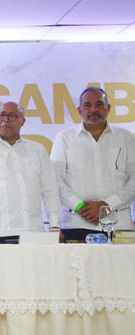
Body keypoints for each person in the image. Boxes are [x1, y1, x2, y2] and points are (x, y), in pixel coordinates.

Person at [0, 101, 61, 243]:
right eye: (1, 115)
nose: (5, 120)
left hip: (34, 232)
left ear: (22, 121)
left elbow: (50, 190)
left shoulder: (38, 150)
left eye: (12, 116)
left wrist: (54, 225)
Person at [50, 87, 135, 241]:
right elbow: (54, 180)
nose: (93, 109)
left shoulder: (126, 138)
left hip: (119, 225)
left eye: (99, 104)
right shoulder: (64, 138)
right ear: (79, 110)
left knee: (120, 266)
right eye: (87, 105)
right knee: (76, 266)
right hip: (75, 224)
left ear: (108, 108)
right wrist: (79, 206)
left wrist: (107, 205)